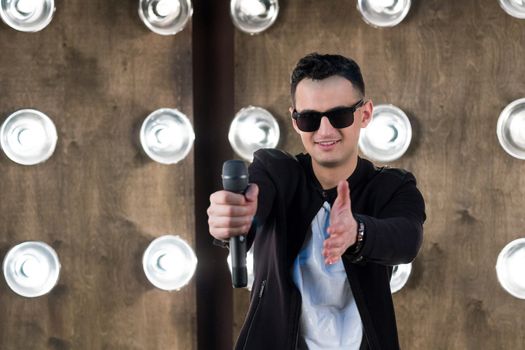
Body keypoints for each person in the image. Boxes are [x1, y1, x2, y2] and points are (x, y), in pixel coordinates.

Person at [207, 53, 426, 350]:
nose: (325, 131)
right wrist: (238, 219)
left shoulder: (392, 187)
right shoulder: (274, 172)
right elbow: (255, 202)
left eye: (339, 116)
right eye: (309, 118)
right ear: (295, 121)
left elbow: (405, 239)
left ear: (365, 114)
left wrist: (357, 232)